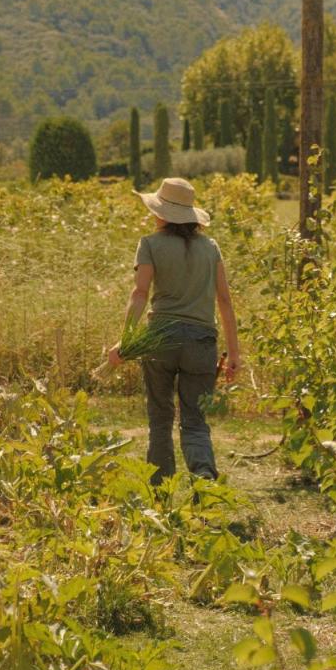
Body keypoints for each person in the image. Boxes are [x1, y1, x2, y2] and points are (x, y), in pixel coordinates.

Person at [107, 176, 240, 484]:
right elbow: (224, 299)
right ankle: (204, 476)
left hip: (160, 340)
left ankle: (160, 491)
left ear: (161, 213)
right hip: (201, 342)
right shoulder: (211, 248)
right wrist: (234, 352)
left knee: (160, 417)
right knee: (195, 420)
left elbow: (139, 294)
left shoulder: (150, 245)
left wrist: (126, 341)